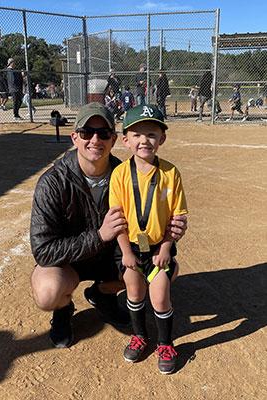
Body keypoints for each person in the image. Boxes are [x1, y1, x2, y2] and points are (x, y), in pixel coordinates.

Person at [30, 102, 188, 349]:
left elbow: (161, 209)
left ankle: (102, 294)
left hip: (112, 259)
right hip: (70, 262)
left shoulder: (126, 173)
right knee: (47, 291)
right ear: (74, 137)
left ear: (114, 139)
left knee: (167, 270)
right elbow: (43, 251)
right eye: (86, 133)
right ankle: (63, 309)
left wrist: (173, 228)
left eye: (103, 133)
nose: (95, 139)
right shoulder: (52, 182)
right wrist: (99, 235)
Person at [109, 104, 188, 374]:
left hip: (159, 250)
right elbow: (117, 220)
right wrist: (127, 253)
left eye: (152, 134)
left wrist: (166, 248)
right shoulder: (119, 174)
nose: (145, 141)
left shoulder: (170, 173)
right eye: (137, 134)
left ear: (162, 139)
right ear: (125, 140)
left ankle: (165, 343)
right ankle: (140, 335)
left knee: (160, 299)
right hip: (129, 248)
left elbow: (177, 219)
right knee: (134, 291)